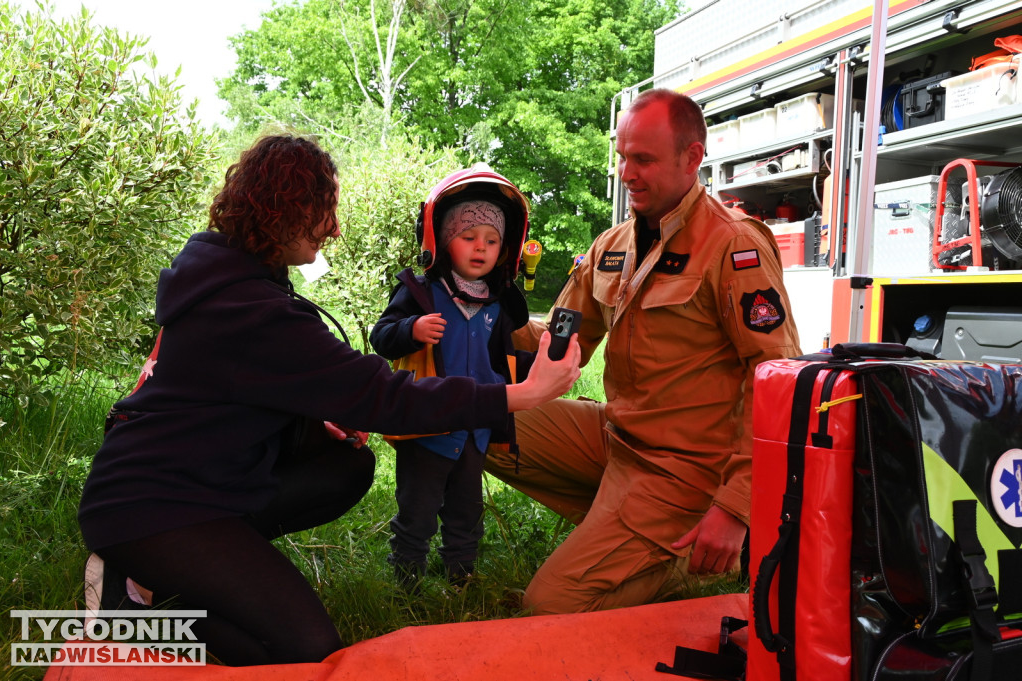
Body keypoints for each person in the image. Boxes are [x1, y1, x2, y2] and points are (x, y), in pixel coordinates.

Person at [77, 136, 581, 666]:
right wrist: (521, 394)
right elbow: (385, 397)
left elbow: (234, 390)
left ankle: (180, 571)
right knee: (304, 649)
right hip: (149, 507)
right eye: (325, 212)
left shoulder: (233, 275)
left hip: (204, 484)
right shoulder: (249, 307)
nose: (334, 228)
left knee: (346, 466)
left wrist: (312, 419)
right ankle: (126, 606)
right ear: (286, 211)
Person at [485, 88, 802, 615]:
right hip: (616, 438)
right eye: (623, 158)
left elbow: (775, 375)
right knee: (480, 423)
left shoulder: (733, 246)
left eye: (644, 159)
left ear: (691, 158)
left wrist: (736, 506)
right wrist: (478, 311)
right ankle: (620, 526)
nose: (627, 173)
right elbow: (562, 341)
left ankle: (674, 551)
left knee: (551, 606)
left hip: (684, 470)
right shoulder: (613, 245)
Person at [370, 167, 534, 589]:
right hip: (427, 424)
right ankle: (406, 583)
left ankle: (461, 580)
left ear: (505, 249)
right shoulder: (422, 291)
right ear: (442, 240)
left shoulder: (501, 302)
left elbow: (506, 358)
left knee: (466, 509)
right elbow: (381, 337)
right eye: (468, 237)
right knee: (418, 510)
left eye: (492, 241)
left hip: (474, 427)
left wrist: (540, 365)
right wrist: (411, 330)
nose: (481, 248)